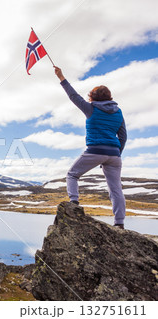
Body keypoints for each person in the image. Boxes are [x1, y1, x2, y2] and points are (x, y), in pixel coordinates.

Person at [54, 66, 127, 229]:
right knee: (116, 189)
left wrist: (61, 78)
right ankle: (119, 223)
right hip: (115, 154)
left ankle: (74, 203)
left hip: (95, 150)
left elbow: (73, 96)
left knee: (72, 174)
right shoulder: (118, 112)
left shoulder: (91, 108)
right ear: (109, 97)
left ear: (92, 97)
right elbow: (123, 136)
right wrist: (116, 153)